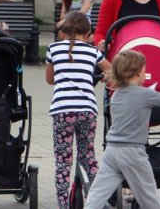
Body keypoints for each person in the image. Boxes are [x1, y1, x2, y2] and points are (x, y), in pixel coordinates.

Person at [83, 50, 160, 208]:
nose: (145, 73)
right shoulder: (146, 94)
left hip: (112, 151)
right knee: (148, 198)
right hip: (133, 152)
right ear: (135, 73)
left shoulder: (116, 95)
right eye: (144, 70)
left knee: (97, 193)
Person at [45, 11, 111, 209]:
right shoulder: (93, 52)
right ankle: (102, 201)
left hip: (62, 110)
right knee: (88, 157)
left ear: (62, 33)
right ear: (88, 33)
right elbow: (112, 69)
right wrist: (104, 78)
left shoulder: (53, 49)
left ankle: (64, 205)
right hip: (87, 110)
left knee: (63, 162)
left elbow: (50, 80)